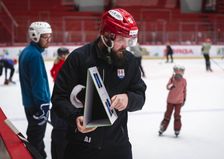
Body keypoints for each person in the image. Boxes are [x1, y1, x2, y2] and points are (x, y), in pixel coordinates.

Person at [51, 8, 146, 159]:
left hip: (118, 146)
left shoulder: (130, 62)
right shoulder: (79, 58)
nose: (125, 45)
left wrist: (129, 99)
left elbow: (140, 96)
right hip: (81, 147)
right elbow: (59, 98)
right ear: (107, 36)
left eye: (129, 40)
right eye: (121, 39)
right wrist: (75, 118)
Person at [18, 21, 52, 158]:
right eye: (45, 36)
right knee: (35, 139)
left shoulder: (28, 51)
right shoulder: (34, 55)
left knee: (35, 137)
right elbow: (38, 82)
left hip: (30, 104)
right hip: (37, 106)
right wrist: (43, 105)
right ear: (35, 36)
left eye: (50, 36)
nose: (49, 40)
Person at [50, 47, 69, 159]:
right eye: (65, 54)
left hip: (58, 88)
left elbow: (52, 72)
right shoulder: (64, 63)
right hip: (64, 90)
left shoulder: (57, 62)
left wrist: (55, 79)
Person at [158, 65, 187, 137]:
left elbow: (184, 90)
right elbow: (168, 87)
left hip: (177, 101)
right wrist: (184, 99)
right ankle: (165, 128)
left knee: (172, 115)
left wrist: (184, 99)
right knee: (172, 115)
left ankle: (174, 129)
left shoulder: (182, 80)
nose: (178, 76)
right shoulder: (173, 79)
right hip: (172, 101)